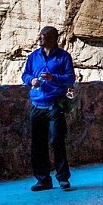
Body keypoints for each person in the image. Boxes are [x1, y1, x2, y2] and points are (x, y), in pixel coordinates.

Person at [22, 26, 77, 191]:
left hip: (55, 104)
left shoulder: (63, 57)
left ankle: (62, 178)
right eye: (40, 37)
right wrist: (31, 81)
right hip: (37, 104)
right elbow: (25, 75)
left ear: (53, 39)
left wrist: (53, 78)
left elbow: (70, 78)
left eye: (44, 37)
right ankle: (43, 179)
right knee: (38, 143)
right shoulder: (33, 56)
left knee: (57, 140)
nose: (40, 40)